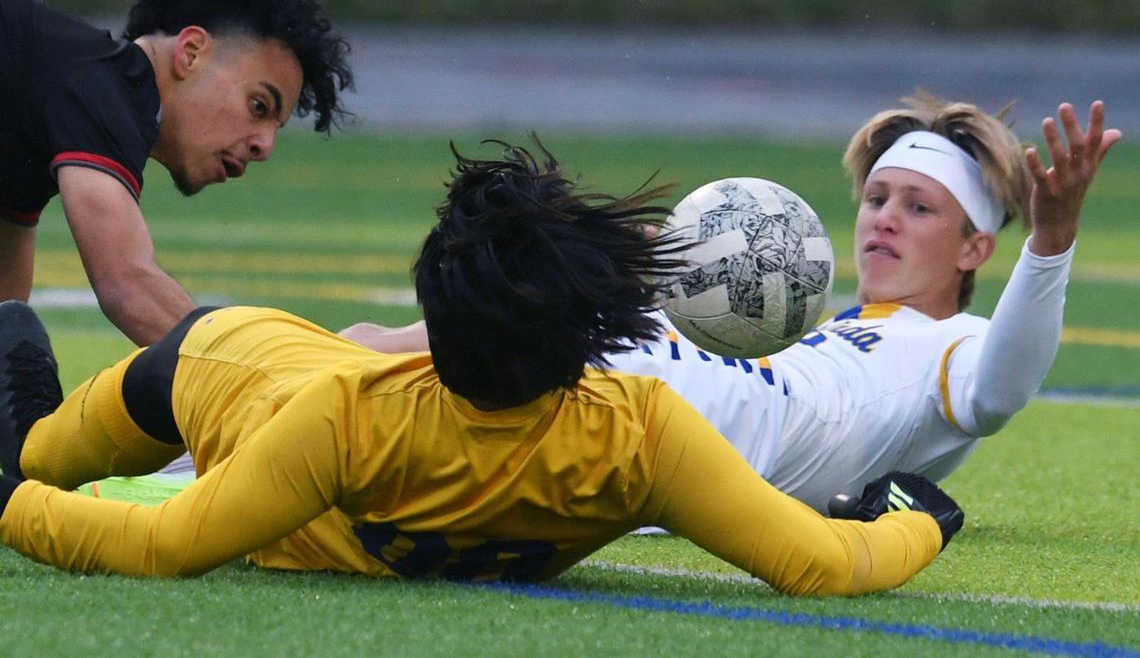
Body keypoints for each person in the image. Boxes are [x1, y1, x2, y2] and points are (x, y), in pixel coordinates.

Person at [0, 141, 962, 594]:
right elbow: (825, 564)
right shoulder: (640, 433)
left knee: (45, 470)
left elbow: (170, 552)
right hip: (219, 366)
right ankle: (29, 412)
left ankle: (26, 430)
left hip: (254, 370)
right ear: (595, 336)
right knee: (49, 450)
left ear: (437, 319)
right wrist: (919, 521)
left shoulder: (345, 416)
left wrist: (9, 503)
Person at [340, 96, 1120, 516]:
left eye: (920, 208)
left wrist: (1051, 241)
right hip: (635, 381)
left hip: (649, 427)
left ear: (975, 249)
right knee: (379, 347)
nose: (883, 216)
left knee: (394, 404)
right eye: (878, 196)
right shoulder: (819, 332)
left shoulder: (953, 348)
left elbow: (1000, 392)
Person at [0, 0, 352, 346]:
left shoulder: (40, 104)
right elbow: (129, 286)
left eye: (275, 127)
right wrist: (291, 375)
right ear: (191, 53)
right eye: (258, 106)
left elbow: (6, 324)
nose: (264, 146)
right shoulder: (105, 87)